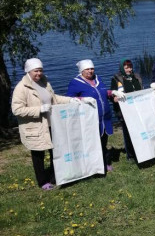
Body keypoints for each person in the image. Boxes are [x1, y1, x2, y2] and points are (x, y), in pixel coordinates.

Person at [11, 58, 80, 190]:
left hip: (51, 124)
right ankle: (43, 182)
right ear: (28, 71)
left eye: (41, 70)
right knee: (38, 155)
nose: (39, 74)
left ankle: (56, 176)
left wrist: (71, 100)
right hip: (35, 127)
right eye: (36, 71)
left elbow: (54, 99)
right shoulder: (21, 88)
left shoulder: (44, 82)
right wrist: (39, 109)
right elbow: (17, 109)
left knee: (56, 151)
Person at [67, 59, 124, 171]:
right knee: (92, 143)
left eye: (92, 68)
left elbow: (102, 92)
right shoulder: (75, 83)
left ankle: (105, 162)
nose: (90, 71)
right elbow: (69, 99)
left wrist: (111, 92)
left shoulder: (97, 79)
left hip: (104, 118)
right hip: (89, 120)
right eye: (87, 69)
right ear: (82, 71)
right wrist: (82, 99)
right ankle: (93, 165)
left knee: (103, 141)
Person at [111, 59, 143, 161]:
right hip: (125, 112)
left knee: (139, 131)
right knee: (128, 133)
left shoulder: (136, 77)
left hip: (137, 110)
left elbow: (141, 91)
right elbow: (112, 94)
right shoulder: (116, 79)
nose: (129, 69)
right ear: (122, 69)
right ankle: (130, 155)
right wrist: (114, 98)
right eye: (126, 68)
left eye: (130, 67)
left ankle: (141, 151)